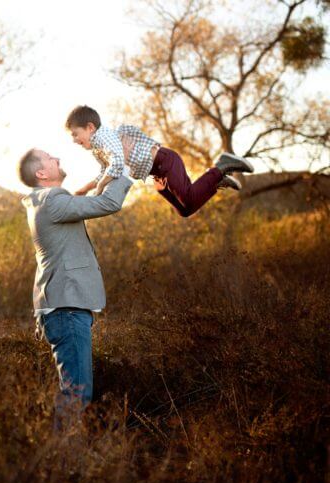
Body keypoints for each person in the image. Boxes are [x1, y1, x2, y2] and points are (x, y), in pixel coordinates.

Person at [18, 147, 132, 427]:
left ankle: (65, 459)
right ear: (41, 173)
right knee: (77, 393)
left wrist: (101, 177)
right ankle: (64, 461)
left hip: (61, 308)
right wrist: (124, 169)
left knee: (75, 390)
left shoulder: (43, 202)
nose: (57, 157)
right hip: (67, 310)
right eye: (50, 158)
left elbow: (84, 201)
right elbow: (108, 204)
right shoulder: (53, 200)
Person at [65, 105, 254, 217]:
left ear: (90, 127)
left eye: (75, 134)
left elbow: (116, 165)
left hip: (165, 161)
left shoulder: (104, 136)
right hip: (157, 174)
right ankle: (216, 180)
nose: (74, 140)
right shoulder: (98, 149)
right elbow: (104, 173)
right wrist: (86, 188)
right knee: (185, 210)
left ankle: (221, 165)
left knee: (188, 199)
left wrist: (99, 189)